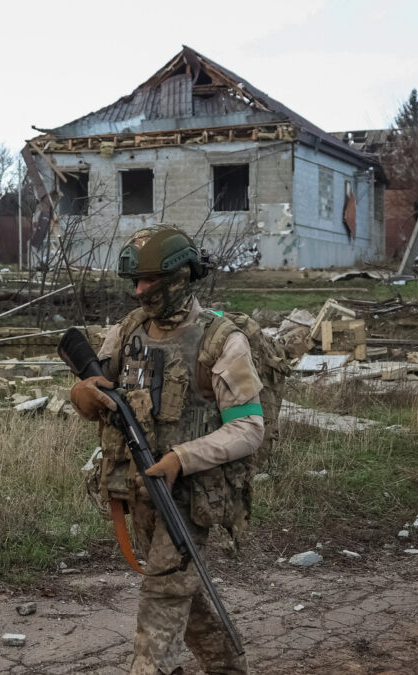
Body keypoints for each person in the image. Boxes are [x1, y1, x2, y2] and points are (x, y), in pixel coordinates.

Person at [69, 227, 263, 675]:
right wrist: (83, 394)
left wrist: (181, 459)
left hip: (190, 498)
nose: (138, 291)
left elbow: (250, 427)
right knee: (183, 598)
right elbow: (95, 391)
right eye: (134, 282)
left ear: (179, 277)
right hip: (138, 492)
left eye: (148, 281)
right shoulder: (129, 331)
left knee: (162, 598)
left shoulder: (220, 340)